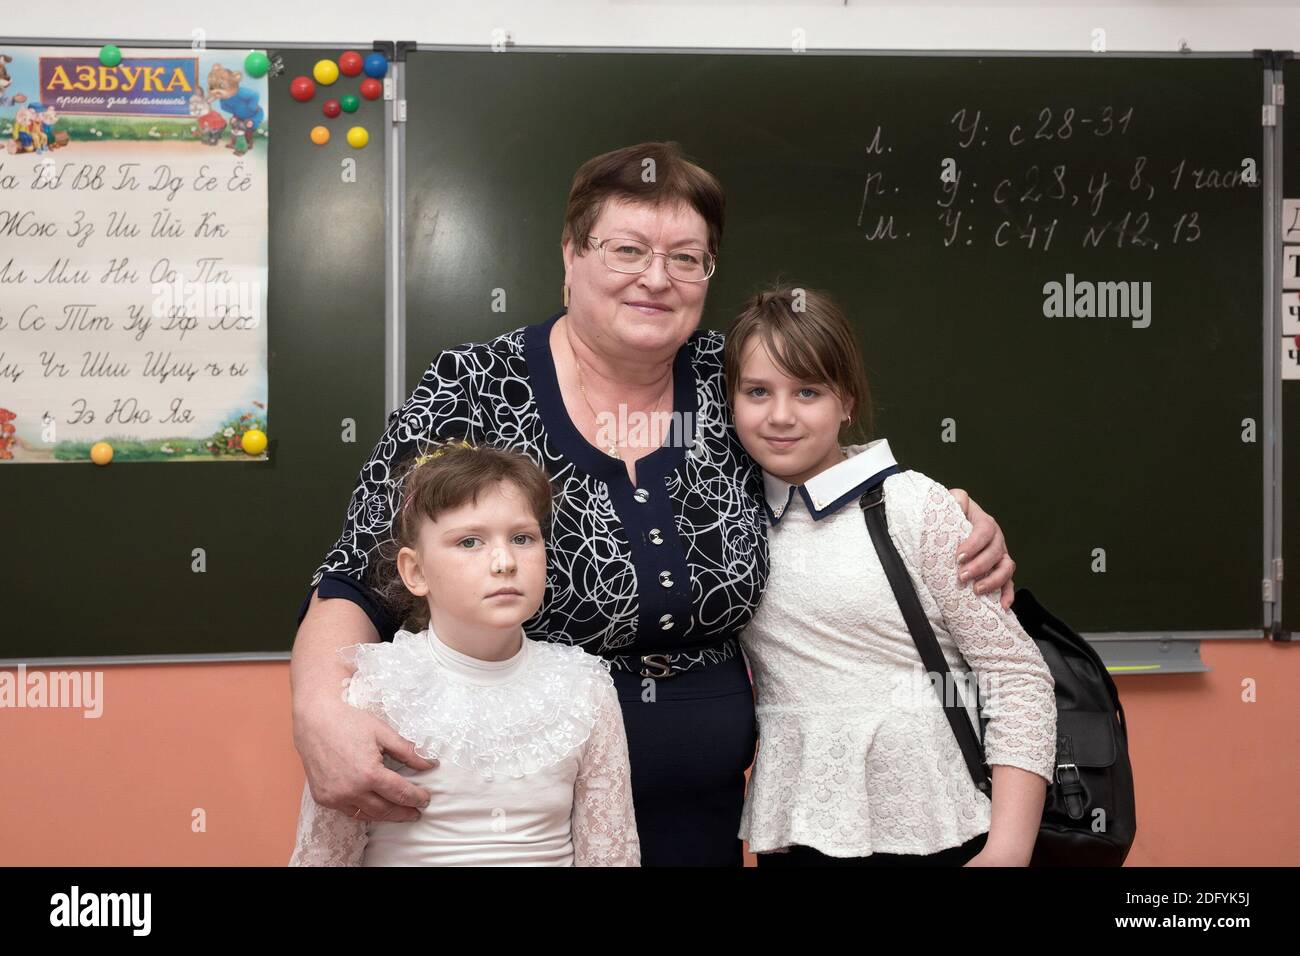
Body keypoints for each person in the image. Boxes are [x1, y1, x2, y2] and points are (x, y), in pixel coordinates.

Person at [291, 141, 1019, 867]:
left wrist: (945, 509)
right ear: (571, 254)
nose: (656, 278)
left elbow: (819, 456)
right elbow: (360, 574)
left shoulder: (727, 377)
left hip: (710, 819)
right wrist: (319, 709)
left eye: (685, 258)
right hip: (517, 821)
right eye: (628, 250)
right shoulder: (475, 388)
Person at [725, 286, 1056, 866]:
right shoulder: (728, 520)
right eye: (757, 391)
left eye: (808, 391)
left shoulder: (912, 505)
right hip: (798, 830)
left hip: (938, 830)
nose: (780, 415)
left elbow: (1017, 675)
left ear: (847, 401)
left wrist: (1008, 849)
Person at [289, 442, 639, 866]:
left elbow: (612, 854)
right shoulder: (376, 689)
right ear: (415, 571)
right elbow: (323, 856)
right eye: (470, 541)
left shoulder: (586, 688)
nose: (504, 561)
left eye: (522, 538)